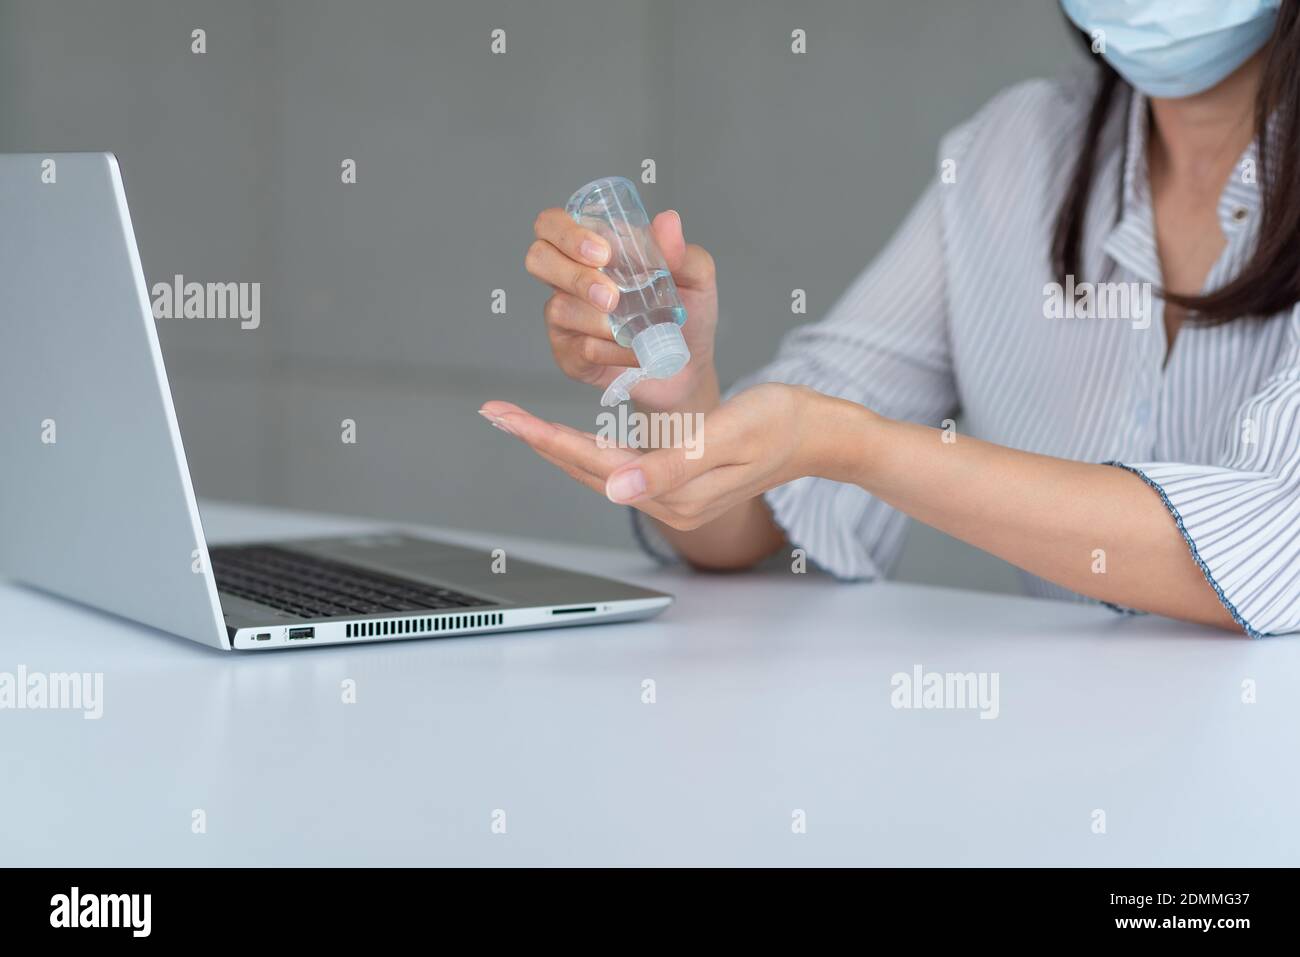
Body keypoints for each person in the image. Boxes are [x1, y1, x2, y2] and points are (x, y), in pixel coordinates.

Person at [483, 0, 1300, 638]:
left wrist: (851, 446)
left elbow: (1268, 548)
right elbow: (747, 521)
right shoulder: (1014, 152)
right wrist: (676, 390)